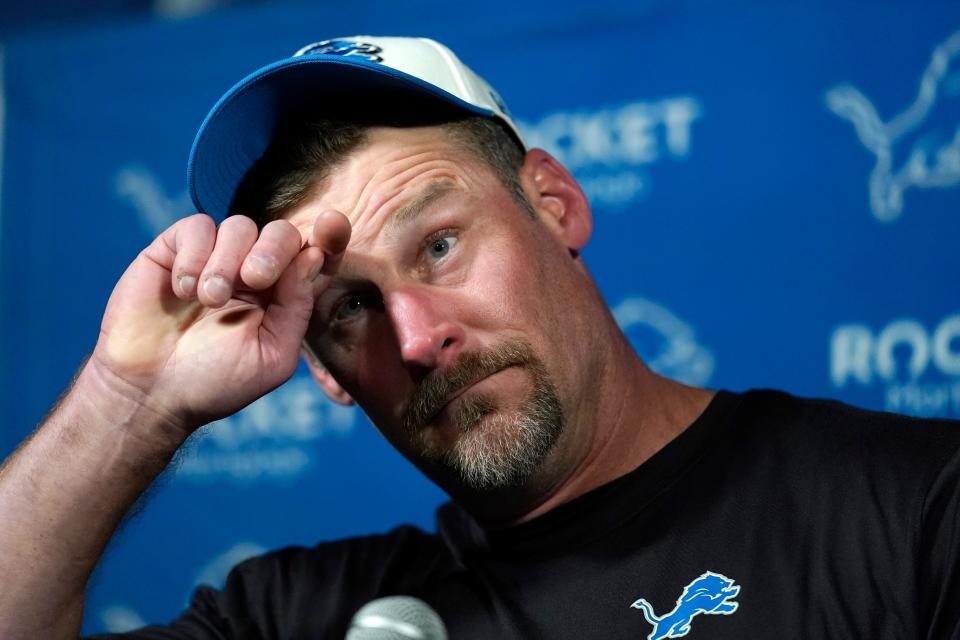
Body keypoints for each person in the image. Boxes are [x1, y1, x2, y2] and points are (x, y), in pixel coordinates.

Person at [1, 35, 958, 640]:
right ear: (325, 372)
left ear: (557, 205)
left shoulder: (913, 514)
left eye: (441, 244)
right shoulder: (296, 617)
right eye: (350, 307)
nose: (418, 339)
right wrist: (128, 405)